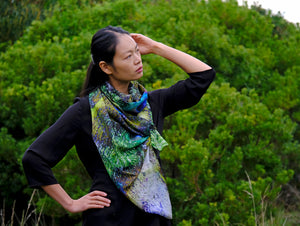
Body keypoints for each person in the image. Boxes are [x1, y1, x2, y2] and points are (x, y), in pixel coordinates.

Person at [22, 25, 215, 226]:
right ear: (106, 67)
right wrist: (70, 203)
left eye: (137, 51)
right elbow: (34, 158)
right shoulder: (85, 111)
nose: (138, 59)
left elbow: (204, 76)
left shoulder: (150, 104)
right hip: (108, 218)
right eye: (127, 56)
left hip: (152, 217)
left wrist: (157, 47)